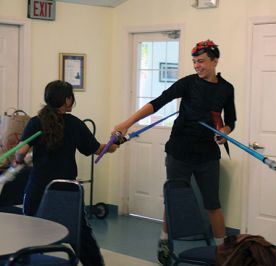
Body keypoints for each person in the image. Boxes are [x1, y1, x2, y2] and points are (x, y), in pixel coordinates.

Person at [113, 39, 236, 265]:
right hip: (179, 150)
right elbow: (158, 102)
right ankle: (164, 240)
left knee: (213, 203)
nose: (197, 66)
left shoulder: (226, 89)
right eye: (194, 62)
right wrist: (127, 122)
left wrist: (224, 132)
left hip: (208, 154)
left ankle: (222, 251)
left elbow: (231, 121)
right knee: (174, 198)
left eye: (201, 61)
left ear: (215, 60)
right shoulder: (188, 84)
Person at [15, 80, 118, 266]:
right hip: (66, 191)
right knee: (80, 234)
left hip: (38, 189)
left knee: (30, 234)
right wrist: (112, 145)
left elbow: (20, 153)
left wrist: (21, 159)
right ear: (68, 100)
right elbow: (96, 149)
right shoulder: (74, 124)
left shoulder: (36, 122)